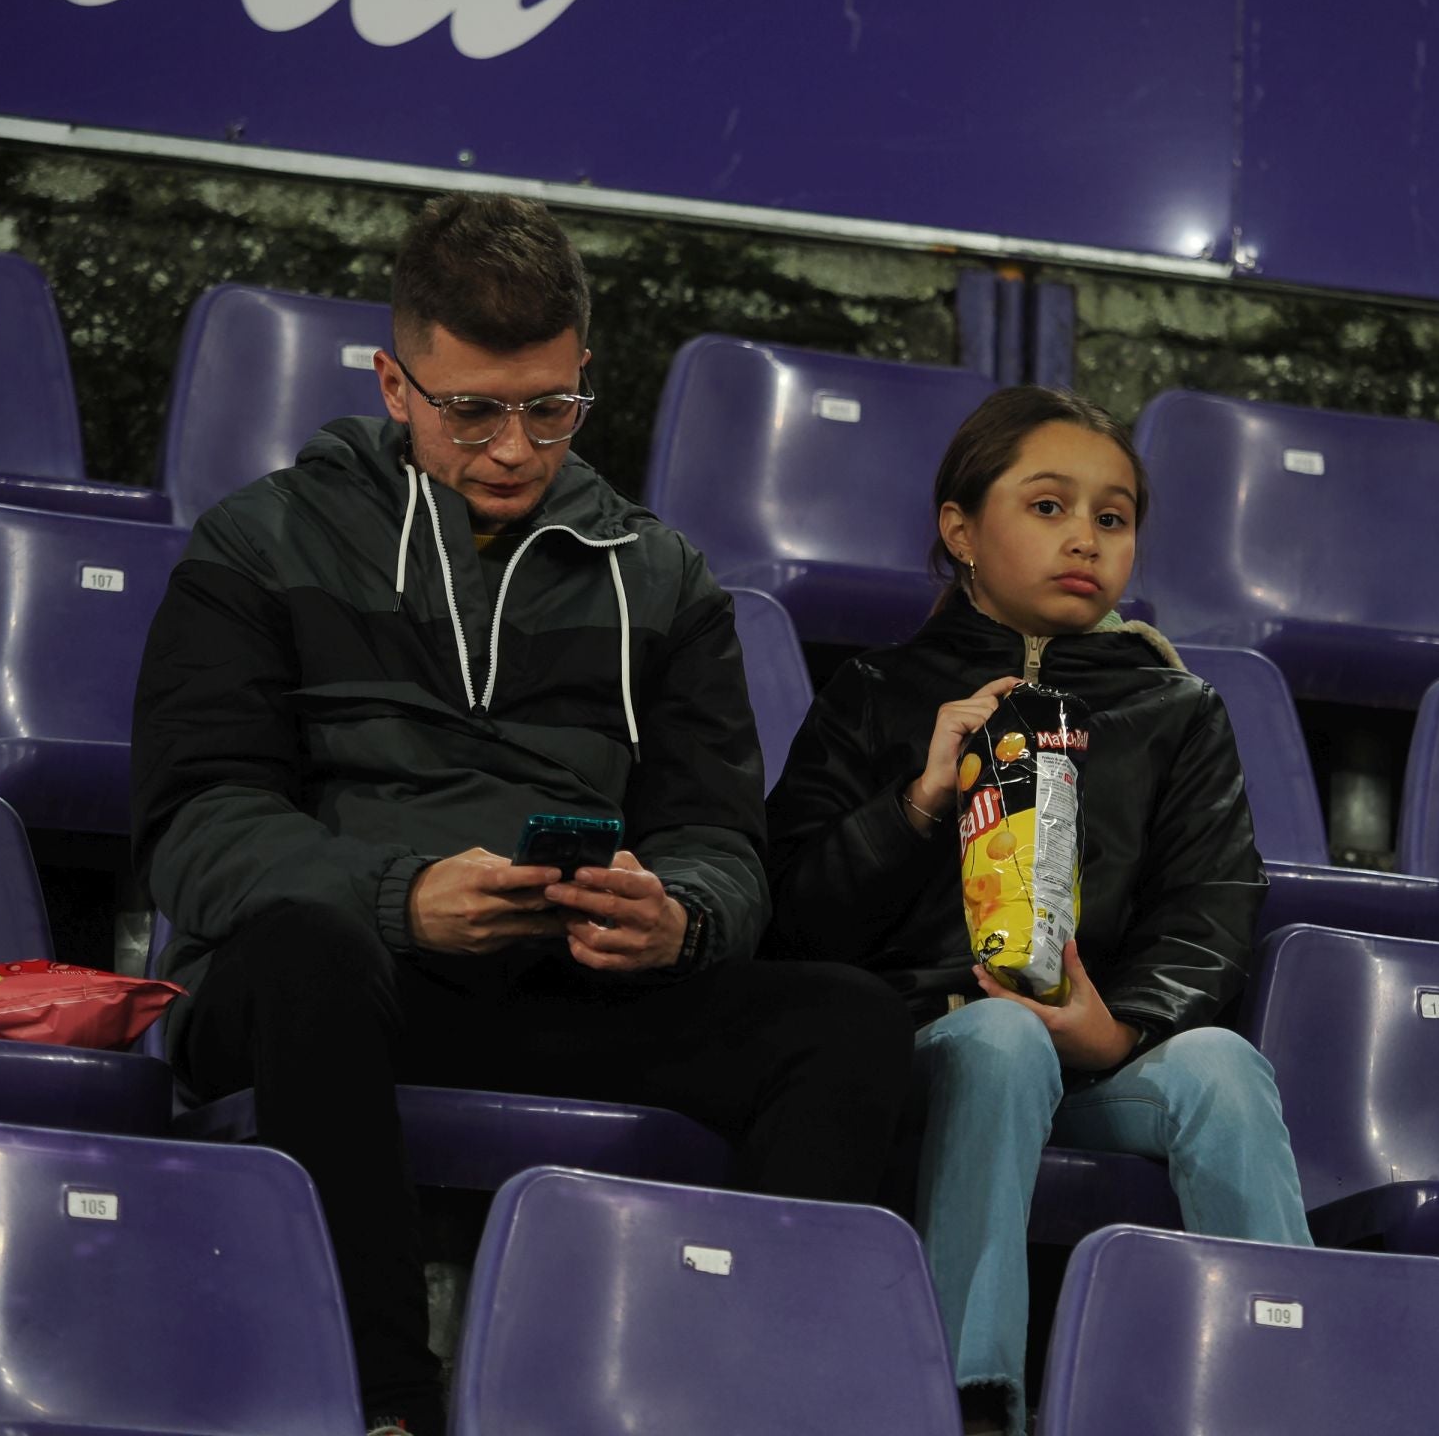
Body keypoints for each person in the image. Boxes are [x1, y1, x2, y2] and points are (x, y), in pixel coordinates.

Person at [131, 193, 911, 1435]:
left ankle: (726, 1405)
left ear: (584, 373)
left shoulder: (661, 580)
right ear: (395, 385)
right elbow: (198, 826)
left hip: (559, 986)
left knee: (847, 1024)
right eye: (474, 412)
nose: (513, 448)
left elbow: (719, 842)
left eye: (551, 409)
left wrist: (678, 917)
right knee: (304, 951)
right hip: (336, 987)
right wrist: (402, 899)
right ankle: (385, 1409)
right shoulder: (260, 543)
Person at [763, 385, 1312, 1436]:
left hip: (1093, 1056)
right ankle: (969, 1405)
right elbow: (793, 919)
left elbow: (1210, 906)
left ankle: (1285, 1399)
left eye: (1113, 517)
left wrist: (1120, 1028)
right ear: (960, 530)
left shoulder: (1178, 709)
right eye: (1049, 506)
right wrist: (920, 802)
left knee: (1223, 1066)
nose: (1085, 539)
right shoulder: (876, 691)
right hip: (920, 1047)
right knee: (1004, 1038)